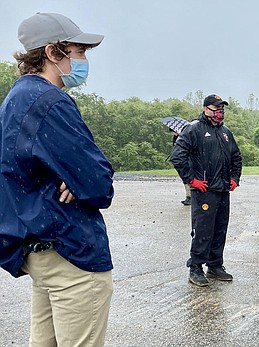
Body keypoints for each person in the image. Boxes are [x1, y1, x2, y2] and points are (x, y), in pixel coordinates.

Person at [0, 12, 114, 346]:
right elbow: (96, 184)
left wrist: (74, 177)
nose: (83, 60)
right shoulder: (50, 101)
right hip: (70, 251)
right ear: (53, 52)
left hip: (38, 249)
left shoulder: (15, 99)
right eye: (78, 52)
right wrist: (81, 179)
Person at [170, 94, 242, 287]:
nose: (220, 112)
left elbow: (236, 156)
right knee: (203, 229)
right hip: (204, 190)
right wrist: (191, 180)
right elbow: (177, 155)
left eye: (222, 108)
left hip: (223, 189)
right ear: (205, 109)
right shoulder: (194, 129)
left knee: (220, 228)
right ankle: (195, 267)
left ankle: (215, 265)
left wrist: (235, 178)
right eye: (216, 108)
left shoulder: (225, 131)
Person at [170, 130, 192, 206]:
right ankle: (188, 196)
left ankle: (190, 197)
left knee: (187, 179)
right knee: (185, 180)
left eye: (172, 131)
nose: (172, 133)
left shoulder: (184, 138)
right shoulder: (176, 138)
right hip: (180, 161)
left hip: (186, 161)